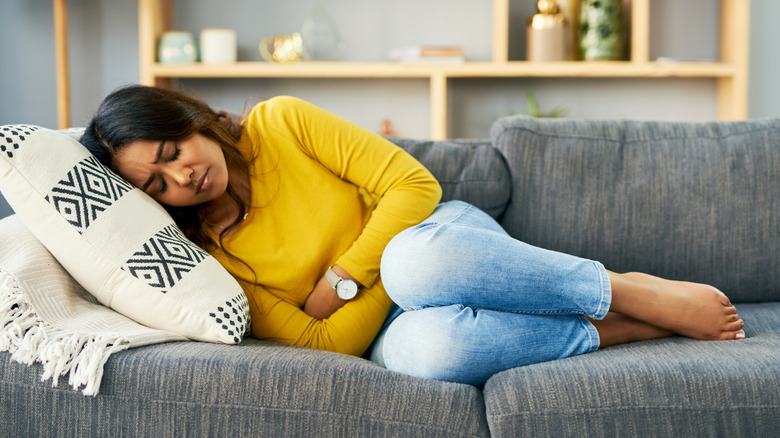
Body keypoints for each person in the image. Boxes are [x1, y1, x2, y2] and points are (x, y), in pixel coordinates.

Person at [81, 85, 745, 386]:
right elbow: (326, 343)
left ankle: (620, 287)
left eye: (171, 149)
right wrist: (366, 286)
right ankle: (618, 327)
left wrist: (342, 279)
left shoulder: (280, 123)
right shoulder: (208, 258)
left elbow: (415, 189)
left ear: (187, 117)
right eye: (157, 186)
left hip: (444, 248)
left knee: (412, 265)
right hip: (391, 325)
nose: (183, 176)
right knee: (434, 356)